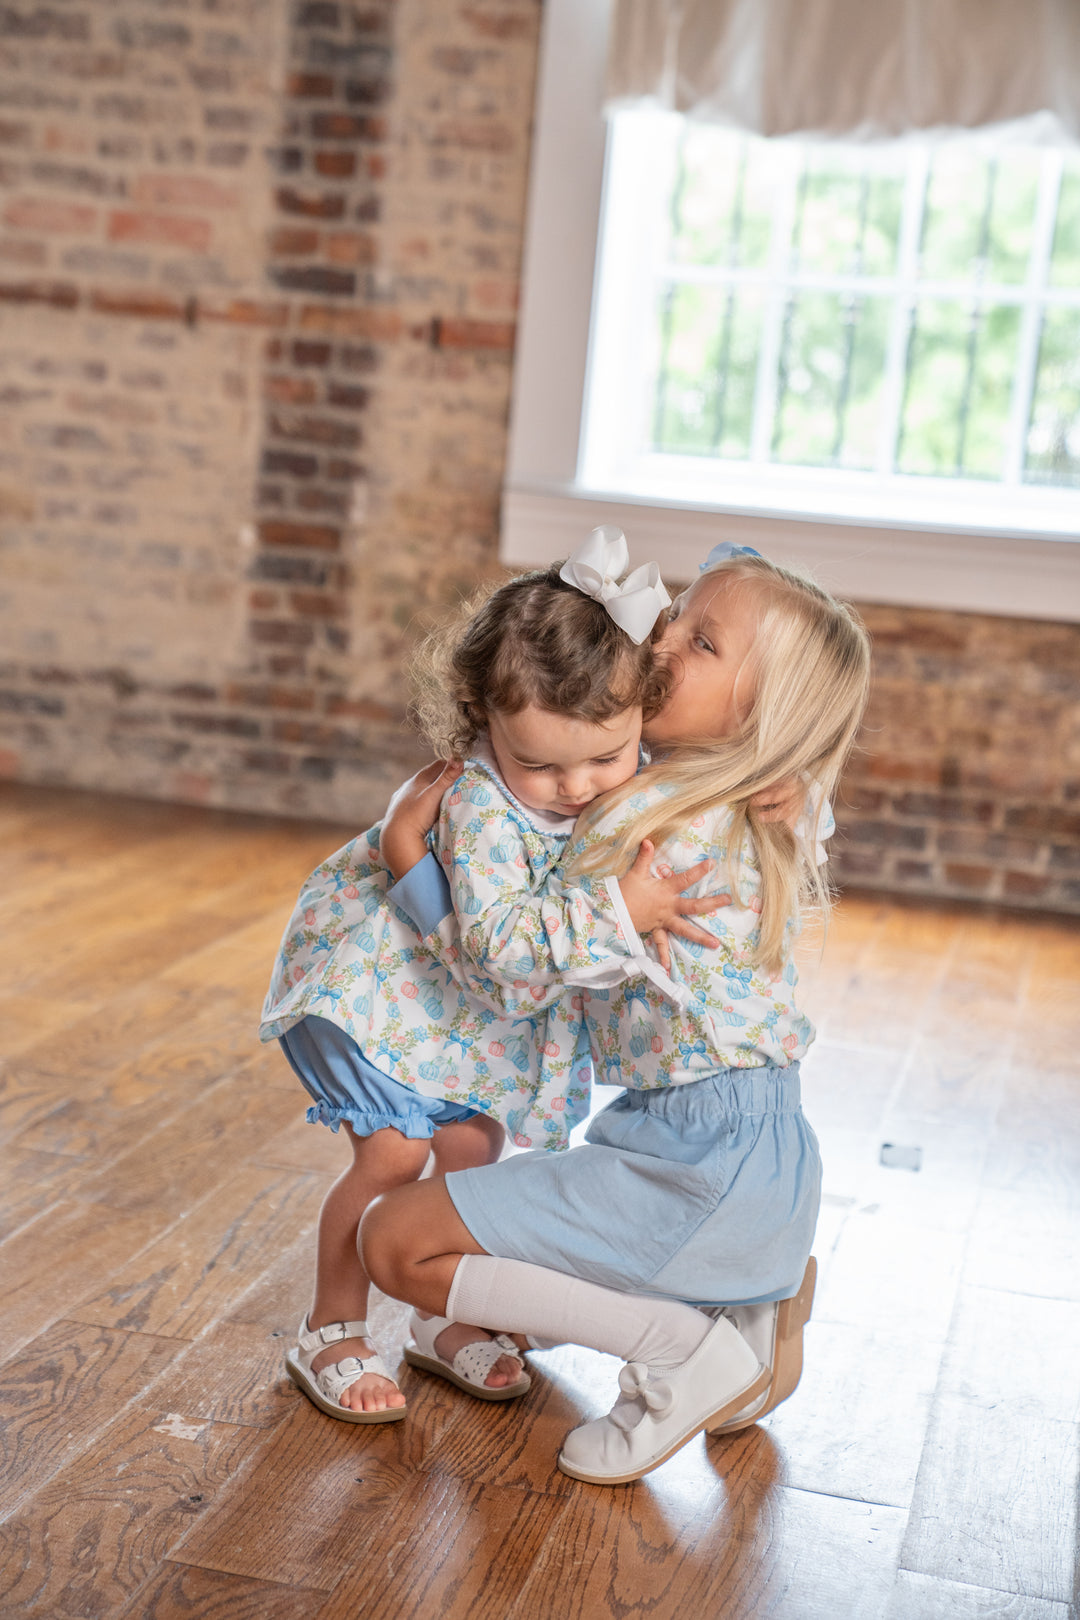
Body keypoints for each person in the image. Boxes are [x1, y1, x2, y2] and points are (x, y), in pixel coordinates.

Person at [360, 544, 872, 1483]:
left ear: (763, 714)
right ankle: (745, 1310)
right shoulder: (746, 804)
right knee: (504, 1233)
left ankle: (684, 1351)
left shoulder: (651, 825)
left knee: (392, 1241)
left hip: (700, 1161)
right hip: (750, 1151)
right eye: (676, 614)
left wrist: (415, 872)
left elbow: (509, 973)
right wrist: (801, 775)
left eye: (702, 640)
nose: (664, 636)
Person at [259, 528, 713, 1423]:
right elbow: (500, 951)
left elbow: (701, 780)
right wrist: (620, 911)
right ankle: (331, 1328)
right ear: (482, 724)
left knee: (471, 1159)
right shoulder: (479, 803)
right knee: (396, 1156)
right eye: (538, 763)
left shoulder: (628, 766)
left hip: (473, 1016)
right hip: (397, 991)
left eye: (605, 759)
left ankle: (443, 1320)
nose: (574, 785)